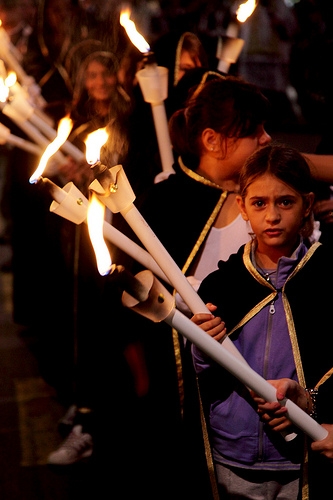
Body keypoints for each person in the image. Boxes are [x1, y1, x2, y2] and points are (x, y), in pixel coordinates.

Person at [190, 143, 333, 499]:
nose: (272, 216)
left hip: (301, 455)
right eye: (259, 203)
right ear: (242, 206)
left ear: (307, 205)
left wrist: (311, 402)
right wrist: (203, 346)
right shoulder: (221, 285)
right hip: (232, 454)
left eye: (285, 202)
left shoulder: (328, 276)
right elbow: (206, 374)